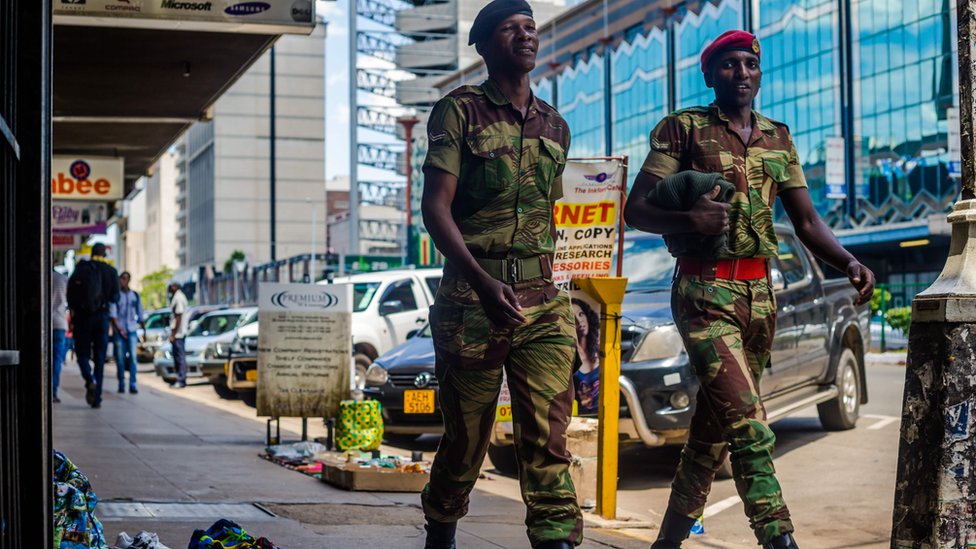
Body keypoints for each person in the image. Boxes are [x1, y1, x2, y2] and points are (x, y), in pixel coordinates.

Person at [623, 30, 876, 549]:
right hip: (703, 292)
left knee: (712, 431)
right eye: (729, 65)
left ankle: (666, 543)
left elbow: (806, 221)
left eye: (749, 65)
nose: (741, 74)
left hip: (761, 297)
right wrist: (689, 215)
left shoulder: (778, 136)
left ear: (759, 74)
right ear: (710, 74)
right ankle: (778, 537)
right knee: (748, 424)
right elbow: (638, 207)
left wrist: (849, 261)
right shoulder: (683, 129)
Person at [419, 1, 581, 547]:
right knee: (467, 441)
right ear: (485, 45)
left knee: (548, 442)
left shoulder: (556, 124)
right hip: (472, 296)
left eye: (531, 27)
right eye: (511, 29)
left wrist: (571, 302)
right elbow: (435, 210)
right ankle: (440, 530)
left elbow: (554, 219)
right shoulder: (457, 111)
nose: (526, 35)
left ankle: (556, 538)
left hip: (543, 300)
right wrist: (483, 283)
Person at [67, 243, 121, 409]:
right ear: (104, 254)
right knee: (99, 358)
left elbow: (70, 295)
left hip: (82, 318)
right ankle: (96, 398)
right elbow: (115, 298)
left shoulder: (81, 269)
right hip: (101, 318)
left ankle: (89, 379)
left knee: (82, 354)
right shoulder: (110, 271)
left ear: (91, 253)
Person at [110, 271, 145, 394]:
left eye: (125, 279)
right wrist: (118, 329)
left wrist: (144, 331)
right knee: (120, 359)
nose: (123, 281)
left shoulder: (134, 295)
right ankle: (121, 383)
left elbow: (140, 314)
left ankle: (133, 383)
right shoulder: (116, 296)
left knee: (133, 359)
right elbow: (113, 315)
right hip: (120, 332)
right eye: (121, 279)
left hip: (131, 330)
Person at [571, 298, 600, 415]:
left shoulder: (600, 350)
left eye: (581, 314)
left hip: (605, 413)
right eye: (573, 317)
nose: (579, 321)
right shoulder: (570, 355)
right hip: (581, 417)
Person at [167, 280, 189, 389]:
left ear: (175, 286)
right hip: (178, 333)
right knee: (177, 357)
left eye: (171, 286)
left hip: (178, 334)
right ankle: (179, 378)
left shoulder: (178, 297)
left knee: (180, 357)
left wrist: (174, 334)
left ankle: (181, 380)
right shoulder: (177, 296)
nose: (169, 289)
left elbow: (178, 316)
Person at [52, 269, 69, 403]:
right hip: (59, 322)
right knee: (57, 360)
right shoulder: (62, 279)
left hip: (42, 323)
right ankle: (53, 391)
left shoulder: (40, 277)